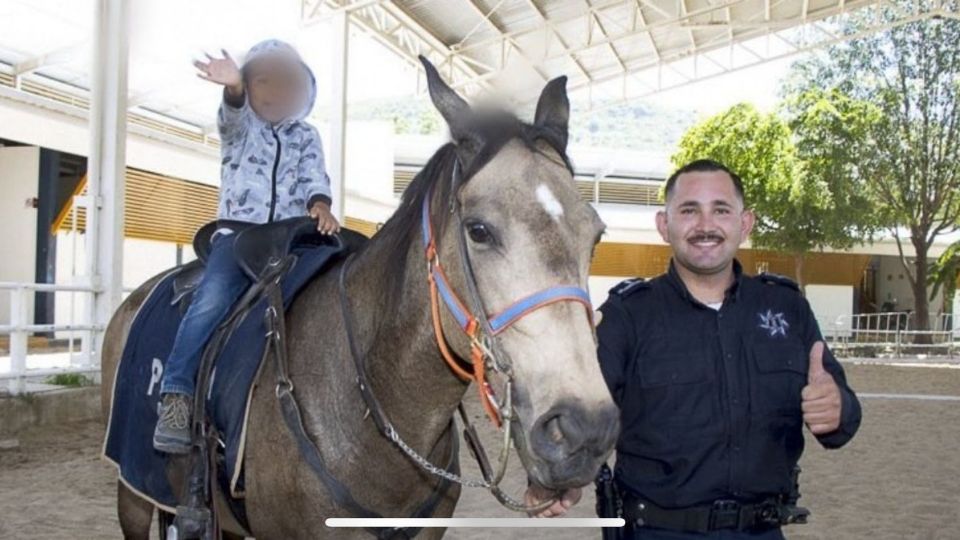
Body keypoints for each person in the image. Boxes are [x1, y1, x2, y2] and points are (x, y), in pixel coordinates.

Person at [525, 159, 862, 539]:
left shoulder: (787, 308)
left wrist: (838, 409)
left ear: (744, 224)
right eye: (689, 211)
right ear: (664, 226)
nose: (705, 225)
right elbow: (581, 408)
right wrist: (559, 476)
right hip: (655, 531)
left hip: (763, 531)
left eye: (720, 210)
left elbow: (843, 420)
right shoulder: (627, 316)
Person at [153, 39, 340, 454]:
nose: (275, 92)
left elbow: (315, 176)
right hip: (240, 237)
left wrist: (320, 205)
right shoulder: (241, 128)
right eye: (263, 81)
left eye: (287, 84)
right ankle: (177, 394)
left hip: (292, 238)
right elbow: (233, 110)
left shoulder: (307, 135)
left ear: (303, 94)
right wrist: (233, 86)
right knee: (209, 305)